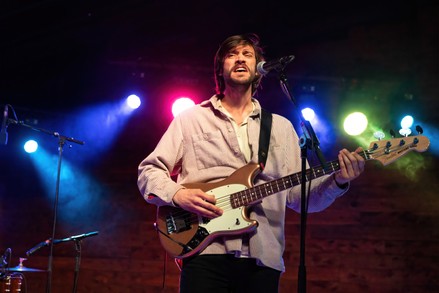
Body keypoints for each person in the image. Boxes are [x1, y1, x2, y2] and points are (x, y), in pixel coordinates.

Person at [137, 33, 365, 293]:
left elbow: (301, 198)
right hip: (204, 251)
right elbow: (149, 171)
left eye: (247, 54)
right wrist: (178, 194)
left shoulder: (280, 127)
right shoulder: (190, 119)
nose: (240, 59)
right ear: (220, 68)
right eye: (232, 54)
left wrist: (338, 181)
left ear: (259, 69)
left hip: (263, 255)